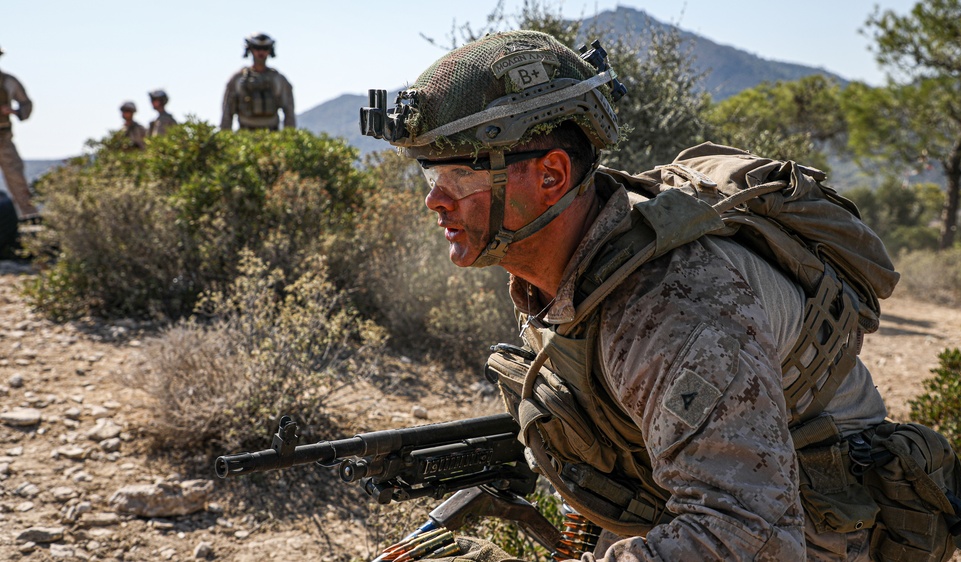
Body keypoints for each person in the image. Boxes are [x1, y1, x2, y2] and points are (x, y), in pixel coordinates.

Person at [361, 31, 897, 561]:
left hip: (819, 529)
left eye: (459, 174)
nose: (435, 201)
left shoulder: (673, 307)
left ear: (552, 174)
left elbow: (749, 537)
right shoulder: (570, 261)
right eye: (429, 173)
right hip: (716, 499)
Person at [220, 32, 295, 131]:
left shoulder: (279, 80)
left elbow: (289, 111)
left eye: (265, 48)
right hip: (245, 135)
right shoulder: (237, 79)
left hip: (272, 135)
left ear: (270, 50)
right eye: (257, 48)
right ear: (250, 49)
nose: (261, 52)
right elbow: (227, 112)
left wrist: (289, 137)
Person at [0, 45, 38, 219]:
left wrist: (14, 112)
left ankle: (30, 217)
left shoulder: (9, 81)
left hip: (4, 138)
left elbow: (26, 103)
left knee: (17, 179)